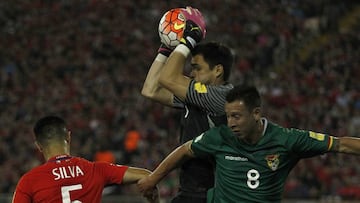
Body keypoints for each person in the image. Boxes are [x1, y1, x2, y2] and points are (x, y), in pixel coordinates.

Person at [138, 84, 360, 202]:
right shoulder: (220, 137)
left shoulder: (286, 139)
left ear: (255, 113)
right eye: (228, 116)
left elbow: (340, 144)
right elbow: (185, 149)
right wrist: (153, 178)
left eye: (237, 116)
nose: (231, 123)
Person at [141, 6, 234, 203]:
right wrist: (166, 48)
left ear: (218, 70)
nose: (191, 74)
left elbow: (167, 79)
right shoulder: (195, 97)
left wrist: (189, 39)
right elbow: (150, 89)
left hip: (214, 194)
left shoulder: (222, 97)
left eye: (197, 68)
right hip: (191, 191)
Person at [12, 115, 158, 203]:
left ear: (38, 146)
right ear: (68, 137)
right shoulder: (95, 170)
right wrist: (153, 199)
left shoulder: (29, 181)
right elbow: (147, 176)